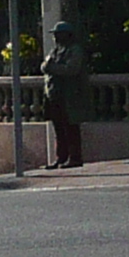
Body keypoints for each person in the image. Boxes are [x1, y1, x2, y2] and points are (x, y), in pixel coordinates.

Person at [42, 21, 91, 170]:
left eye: (59, 34)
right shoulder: (56, 51)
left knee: (71, 127)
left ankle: (75, 157)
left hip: (69, 95)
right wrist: (49, 67)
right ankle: (61, 157)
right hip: (54, 94)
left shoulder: (75, 50)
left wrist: (52, 68)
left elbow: (71, 69)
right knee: (58, 128)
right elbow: (44, 66)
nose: (56, 37)